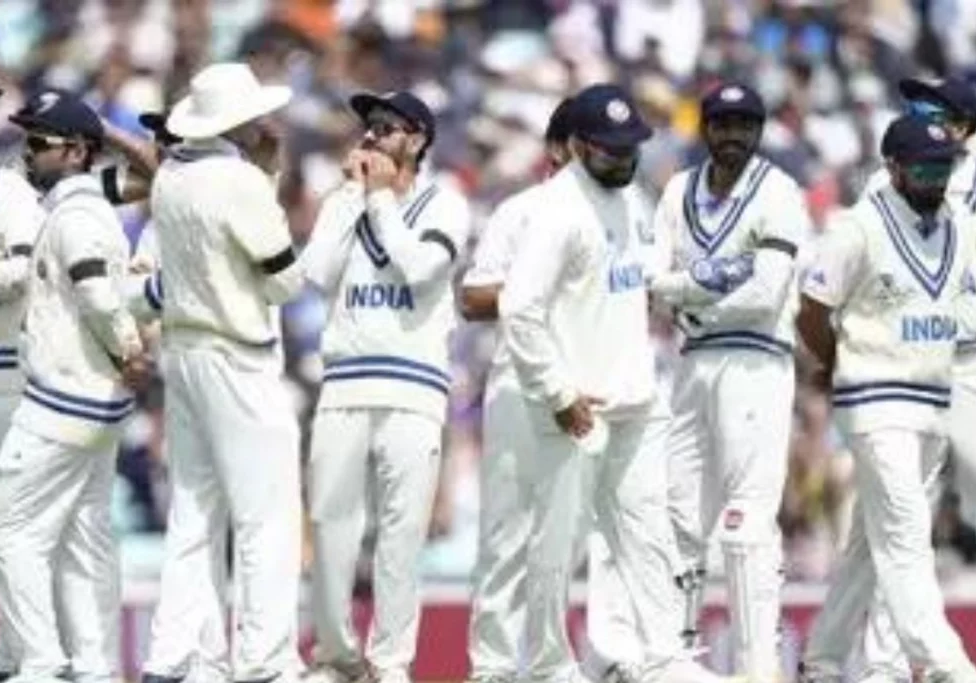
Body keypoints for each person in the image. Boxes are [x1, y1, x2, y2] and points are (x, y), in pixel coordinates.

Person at [500, 82, 732, 683]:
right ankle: (549, 668)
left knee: (646, 536)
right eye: (610, 150)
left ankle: (663, 658)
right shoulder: (558, 213)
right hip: (578, 409)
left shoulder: (631, 200)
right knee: (558, 545)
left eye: (631, 148)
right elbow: (518, 309)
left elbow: (645, 281)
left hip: (634, 400)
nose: (624, 159)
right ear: (578, 147)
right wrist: (558, 393)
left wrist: (701, 282)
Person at [796, 115, 976, 683]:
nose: (936, 181)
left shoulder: (957, 223)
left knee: (869, 542)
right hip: (876, 400)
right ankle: (942, 664)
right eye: (924, 170)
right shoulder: (857, 228)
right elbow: (812, 311)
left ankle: (822, 661)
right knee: (907, 533)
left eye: (944, 169)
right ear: (892, 168)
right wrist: (835, 363)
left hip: (934, 399)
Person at [139, 62, 303, 683]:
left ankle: (178, 657)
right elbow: (285, 282)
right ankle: (263, 662)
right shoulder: (240, 181)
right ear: (239, 122)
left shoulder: (170, 177)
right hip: (237, 357)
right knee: (267, 517)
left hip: (183, 353)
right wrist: (268, 177)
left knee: (193, 511)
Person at [299, 89, 470, 683]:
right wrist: (353, 197)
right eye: (368, 125)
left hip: (413, 386)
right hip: (345, 381)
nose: (371, 135)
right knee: (330, 524)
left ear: (417, 140)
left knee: (401, 533)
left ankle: (391, 661)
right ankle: (335, 657)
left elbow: (419, 269)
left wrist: (377, 198)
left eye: (387, 127)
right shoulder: (345, 201)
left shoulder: (446, 204)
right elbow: (316, 273)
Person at [0, 88, 149, 683]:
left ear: (76, 151)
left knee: (10, 529)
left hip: (54, 394)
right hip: (86, 395)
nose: (27, 150)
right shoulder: (64, 198)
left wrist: (129, 346)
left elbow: (98, 290)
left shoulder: (69, 206)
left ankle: (39, 660)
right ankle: (93, 666)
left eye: (40, 141)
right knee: (83, 533)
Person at [651, 82, 809, 682]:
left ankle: (758, 668)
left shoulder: (780, 191)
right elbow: (653, 282)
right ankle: (675, 660)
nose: (734, 135)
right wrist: (714, 281)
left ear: (759, 131)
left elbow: (767, 293)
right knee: (679, 517)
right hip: (694, 365)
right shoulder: (677, 191)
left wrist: (689, 293)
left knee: (744, 526)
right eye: (723, 123)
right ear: (705, 128)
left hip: (756, 364)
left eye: (746, 125)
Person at [459, 97, 574, 683]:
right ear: (558, 149)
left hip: (590, 388)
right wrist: (536, 288)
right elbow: (473, 297)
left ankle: (554, 666)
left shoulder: (623, 212)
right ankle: (493, 668)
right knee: (507, 534)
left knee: (567, 540)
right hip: (520, 384)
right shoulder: (520, 211)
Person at [0, 83, 45, 683]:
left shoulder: (14, 192)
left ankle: (16, 653)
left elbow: (23, 272)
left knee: (12, 522)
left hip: (1, 371)